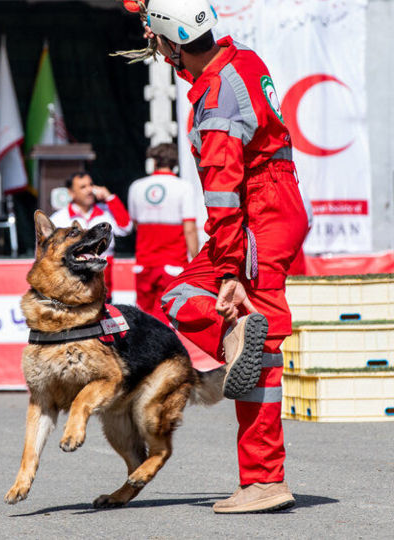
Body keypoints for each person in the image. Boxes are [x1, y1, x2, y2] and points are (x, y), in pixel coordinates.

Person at [140, 0, 308, 513]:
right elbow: (181, 32)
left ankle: (264, 479)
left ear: (170, 45)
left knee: (263, 345)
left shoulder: (214, 104)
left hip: (256, 213)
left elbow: (221, 194)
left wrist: (232, 269)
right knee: (182, 294)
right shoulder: (243, 61)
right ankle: (236, 339)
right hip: (278, 202)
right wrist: (152, 17)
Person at [127, 143, 198, 323]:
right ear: (176, 163)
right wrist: (196, 259)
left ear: (154, 162)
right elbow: (189, 228)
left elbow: (134, 223)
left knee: (142, 315)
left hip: (144, 261)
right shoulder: (184, 187)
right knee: (166, 316)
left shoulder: (136, 186)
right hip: (173, 262)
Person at [49, 171, 132, 296]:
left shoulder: (106, 211)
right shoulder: (59, 218)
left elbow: (126, 227)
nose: (89, 190)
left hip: (103, 288)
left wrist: (110, 197)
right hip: (72, 290)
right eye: (83, 187)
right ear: (71, 193)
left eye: (91, 185)